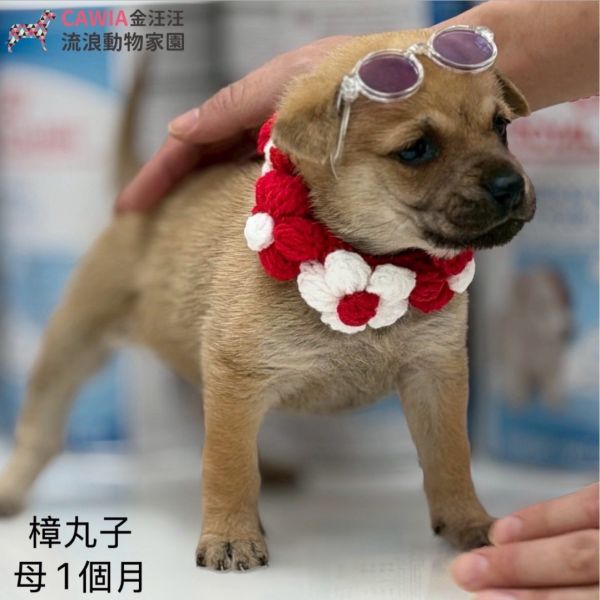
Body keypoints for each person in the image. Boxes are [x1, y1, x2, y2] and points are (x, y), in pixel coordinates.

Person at [115, 1, 599, 598]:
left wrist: (463, 509)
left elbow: (439, 374)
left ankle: (455, 508)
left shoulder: (436, 262)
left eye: (498, 127)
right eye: (418, 151)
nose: (503, 175)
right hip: (292, 480)